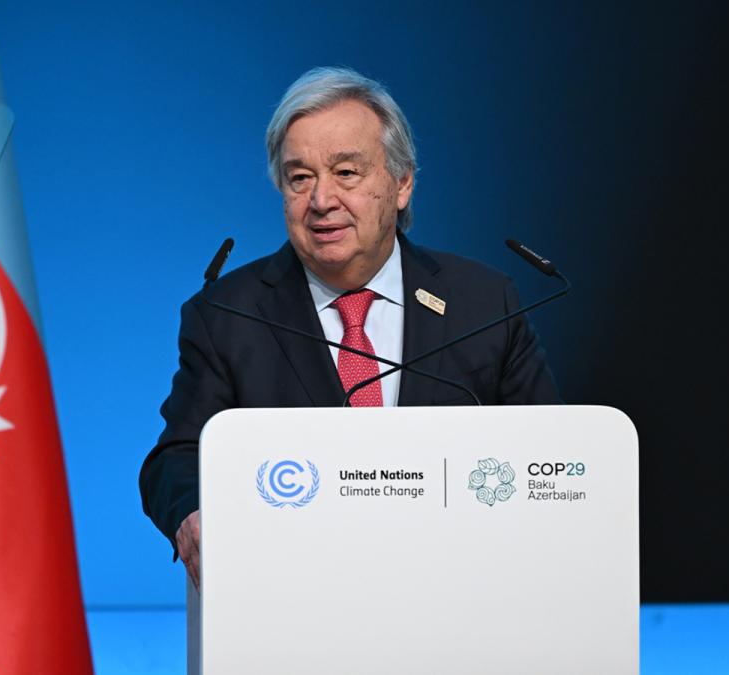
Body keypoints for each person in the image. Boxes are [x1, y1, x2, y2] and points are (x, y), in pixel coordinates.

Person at [139, 66, 561, 588]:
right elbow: (176, 458)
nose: (321, 201)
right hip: (295, 597)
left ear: (401, 184)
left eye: (346, 172)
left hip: (459, 592)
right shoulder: (228, 314)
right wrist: (192, 512)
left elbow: (551, 455)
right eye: (300, 178)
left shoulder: (482, 303)